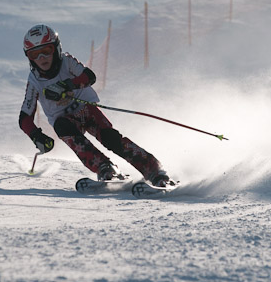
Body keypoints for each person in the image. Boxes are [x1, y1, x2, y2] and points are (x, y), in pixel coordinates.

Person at [18, 24, 172, 187]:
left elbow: (89, 76)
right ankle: (105, 167)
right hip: (65, 121)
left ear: (56, 48)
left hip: (86, 110)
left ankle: (153, 169)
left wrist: (68, 85)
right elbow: (24, 118)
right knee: (62, 126)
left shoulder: (67, 62)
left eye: (47, 50)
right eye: (35, 54)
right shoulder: (34, 81)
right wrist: (37, 136)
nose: (42, 57)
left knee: (110, 138)